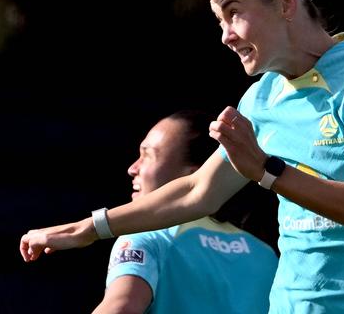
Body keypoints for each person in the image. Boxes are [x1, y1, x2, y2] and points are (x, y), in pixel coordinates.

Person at [20, 0, 344, 313]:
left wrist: (266, 170)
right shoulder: (262, 98)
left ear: (286, 2)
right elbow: (196, 191)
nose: (226, 35)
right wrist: (87, 229)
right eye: (219, 20)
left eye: (234, 12)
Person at [91, 110, 278, 313]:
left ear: (193, 175)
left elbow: (121, 308)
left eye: (147, 156)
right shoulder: (265, 254)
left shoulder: (145, 236)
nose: (132, 168)